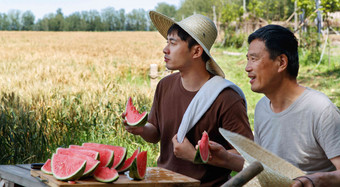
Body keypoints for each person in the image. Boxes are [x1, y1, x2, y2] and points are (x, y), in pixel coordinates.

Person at [122, 11, 253, 186]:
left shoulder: (227, 98)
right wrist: (140, 129)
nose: (165, 49)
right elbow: (155, 133)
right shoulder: (165, 85)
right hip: (164, 182)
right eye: (166, 42)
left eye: (173, 43)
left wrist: (198, 157)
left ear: (196, 51)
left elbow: (247, 160)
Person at [205, 24, 340, 187]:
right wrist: (226, 158)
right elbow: (262, 168)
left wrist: (315, 179)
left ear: (281, 62)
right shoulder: (262, 108)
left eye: (254, 59)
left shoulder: (320, 110)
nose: (247, 68)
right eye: (248, 59)